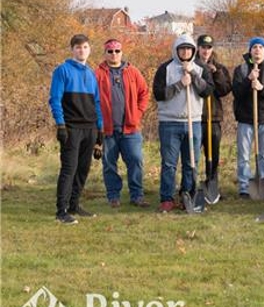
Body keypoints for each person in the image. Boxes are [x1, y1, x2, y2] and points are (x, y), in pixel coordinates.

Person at [152, 35, 214, 212]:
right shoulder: (166, 68)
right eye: (182, 49)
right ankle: (167, 198)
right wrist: (180, 83)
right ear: (176, 50)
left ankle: (187, 194)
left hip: (193, 122)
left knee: (191, 162)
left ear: (193, 51)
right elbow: (159, 94)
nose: (185, 52)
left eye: (189, 49)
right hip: (169, 123)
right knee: (169, 163)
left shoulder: (200, 68)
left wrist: (193, 75)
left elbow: (207, 91)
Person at [49, 34, 103, 224]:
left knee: (83, 169)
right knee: (69, 169)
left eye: (85, 47)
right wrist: (61, 124)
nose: (82, 50)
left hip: (90, 129)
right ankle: (61, 211)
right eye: (78, 47)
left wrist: (100, 131)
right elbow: (55, 99)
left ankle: (74, 205)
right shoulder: (62, 71)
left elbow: (96, 103)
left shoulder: (91, 74)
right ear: (72, 49)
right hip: (71, 128)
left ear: (90, 50)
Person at [95, 39, 150, 208]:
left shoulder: (132, 71)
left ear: (122, 52)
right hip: (108, 129)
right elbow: (91, 98)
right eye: (110, 51)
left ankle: (137, 195)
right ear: (105, 53)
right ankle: (113, 196)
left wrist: (137, 113)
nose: (114, 54)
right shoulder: (97, 73)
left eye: (117, 51)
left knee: (135, 160)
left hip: (130, 129)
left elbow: (145, 93)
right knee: (109, 164)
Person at [231, 37, 264, 199]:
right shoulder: (240, 70)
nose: (257, 50)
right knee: (244, 156)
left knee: (263, 155)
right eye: (254, 47)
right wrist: (249, 80)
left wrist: (261, 88)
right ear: (250, 50)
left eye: (261, 47)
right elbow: (237, 93)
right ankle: (245, 188)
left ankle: (262, 182)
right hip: (245, 119)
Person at [196, 34, 232, 200]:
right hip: (197, 117)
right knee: (195, 154)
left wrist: (216, 73)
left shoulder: (220, 68)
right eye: (203, 47)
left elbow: (225, 90)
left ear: (212, 49)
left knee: (214, 155)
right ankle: (193, 186)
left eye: (209, 47)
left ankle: (212, 185)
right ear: (198, 48)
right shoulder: (192, 66)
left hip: (214, 117)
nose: (206, 50)